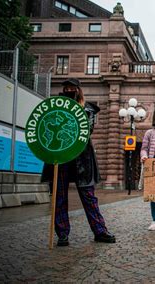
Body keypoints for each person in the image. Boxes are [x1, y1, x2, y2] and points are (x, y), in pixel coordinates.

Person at [41, 78, 115, 246]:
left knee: (88, 196)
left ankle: (100, 230)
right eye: (66, 88)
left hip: (82, 159)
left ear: (78, 90)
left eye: (71, 88)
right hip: (61, 158)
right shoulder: (56, 109)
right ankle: (62, 234)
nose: (68, 90)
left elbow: (87, 130)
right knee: (59, 197)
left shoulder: (87, 109)